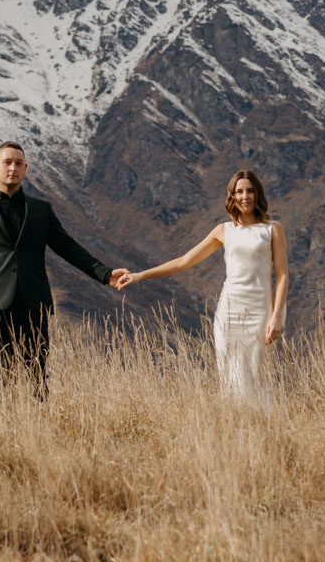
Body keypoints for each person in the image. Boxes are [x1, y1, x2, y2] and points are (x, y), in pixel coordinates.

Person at [0, 141, 127, 397]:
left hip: (35, 302)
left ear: (25, 168)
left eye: (18, 163)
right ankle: (8, 429)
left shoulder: (40, 210)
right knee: (5, 372)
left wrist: (104, 274)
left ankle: (39, 429)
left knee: (37, 372)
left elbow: (68, 247)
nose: (12, 168)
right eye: (7, 162)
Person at [116, 169, 289, 406]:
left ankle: (263, 431)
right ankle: (236, 432)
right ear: (232, 196)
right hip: (229, 311)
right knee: (232, 377)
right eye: (239, 192)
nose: (245, 196)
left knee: (257, 376)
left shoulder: (272, 229)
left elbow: (282, 275)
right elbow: (183, 262)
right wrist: (141, 275)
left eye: (250, 191)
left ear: (258, 194)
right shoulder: (223, 231)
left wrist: (276, 316)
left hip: (261, 311)